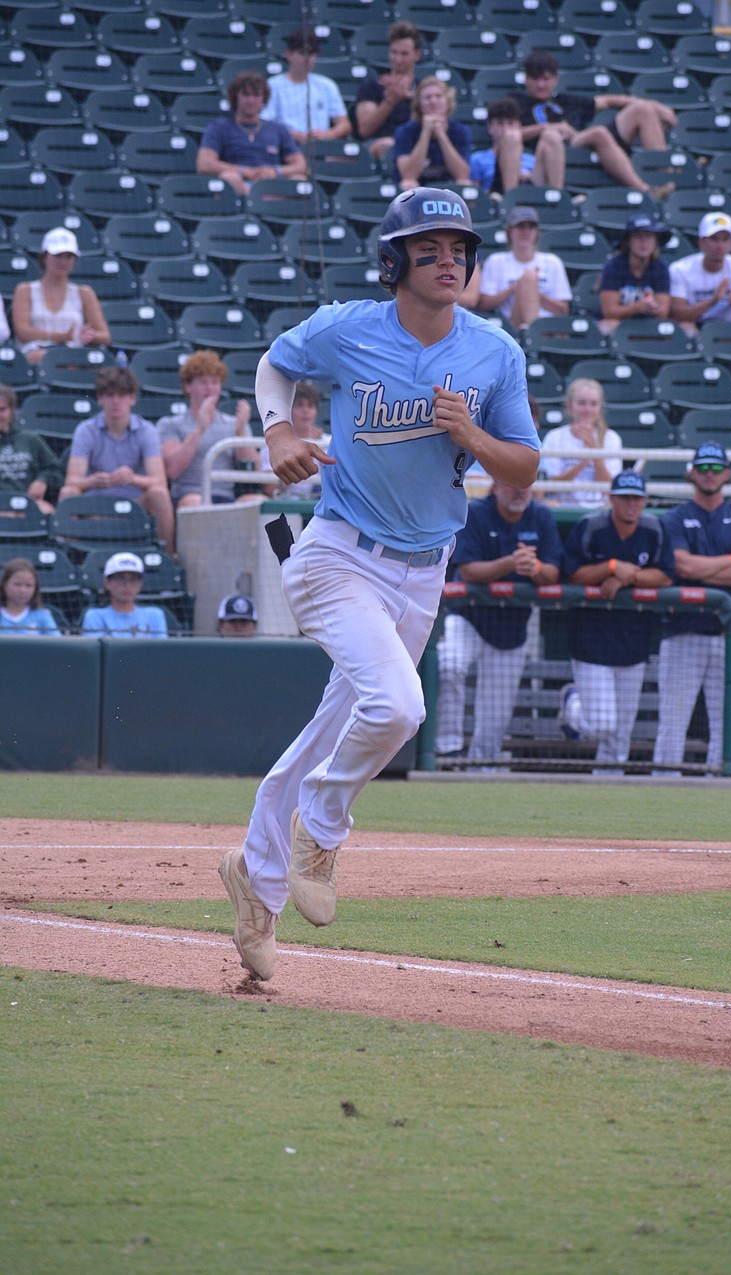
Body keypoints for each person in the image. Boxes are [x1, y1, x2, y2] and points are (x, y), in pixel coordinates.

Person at [218, 187, 540, 981]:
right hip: (337, 554)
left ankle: (256, 887)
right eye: (428, 247)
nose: (448, 260)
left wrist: (472, 434)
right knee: (398, 706)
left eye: (459, 248)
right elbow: (274, 364)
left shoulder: (495, 351)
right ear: (394, 258)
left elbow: (526, 466)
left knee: (333, 730)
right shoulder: (347, 327)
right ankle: (322, 828)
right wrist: (280, 428)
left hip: (424, 571)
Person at [653, 441, 731, 774]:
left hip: (730, 636)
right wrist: (728, 561)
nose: (709, 474)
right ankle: (663, 785)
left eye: (716, 468)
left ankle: (722, 786)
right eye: (703, 467)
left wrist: (708, 569)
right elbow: (682, 567)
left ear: (728, 473)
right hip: (683, 630)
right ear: (691, 472)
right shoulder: (675, 517)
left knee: (726, 723)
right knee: (673, 718)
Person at [434, 479, 561, 765]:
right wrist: (511, 563)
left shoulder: (540, 516)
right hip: (468, 614)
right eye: (512, 484)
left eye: (525, 484)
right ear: (495, 487)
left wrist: (536, 568)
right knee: (450, 665)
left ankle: (483, 764)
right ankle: (448, 750)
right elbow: (467, 571)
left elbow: (554, 572)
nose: (519, 490)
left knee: (497, 706)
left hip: (512, 624)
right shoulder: (476, 512)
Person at [559, 470, 673, 770]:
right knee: (601, 723)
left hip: (634, 640)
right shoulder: (591, 526)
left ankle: (608, 782)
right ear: (611, 499)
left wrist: (626, 577)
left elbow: (665, 575)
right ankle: (572, 705)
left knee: (621, 731)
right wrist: (610, 567)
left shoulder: (654, 529)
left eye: (636, 498)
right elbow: (571, 573)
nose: (630, 505)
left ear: (645, 501)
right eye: (624, 498)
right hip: (591, 640)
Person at [514, 50, 676, 201]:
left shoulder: (566, 100)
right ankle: (645, 190)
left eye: (546, 79)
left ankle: (665, 177)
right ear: (526, 79)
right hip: (547, 149)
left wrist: (657, 107)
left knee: (643, 110)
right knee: (598, 133)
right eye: (535, 79)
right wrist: (548, 128)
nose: (541, 85)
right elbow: (510, 135)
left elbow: (608, 101)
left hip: (580, 141)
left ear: (556, 80)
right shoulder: (517, 102)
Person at [59, 366, 175, 554]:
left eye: (121, 395)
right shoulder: (85, 430)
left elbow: (159, 480)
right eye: (110, 395)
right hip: (95, 505)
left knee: (159, 494)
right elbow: (72, 480)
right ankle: (68, 557)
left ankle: (167, 556)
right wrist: (93, 481)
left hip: (135, 504)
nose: (115, 402)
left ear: (132, 398)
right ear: (100, 398)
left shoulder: (147, 431)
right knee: (68, 493)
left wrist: (133, 478)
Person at [157, 349, 257, 510]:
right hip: (189, 496)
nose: (210, 388)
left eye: (215, 382)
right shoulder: (170, 424)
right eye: (203, 382)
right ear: (188, 387)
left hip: (226, 497)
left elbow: (252, 471)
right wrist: (199, 429)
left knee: (258, 502)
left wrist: (241, 433)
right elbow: (173, 471)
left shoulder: (234, 423)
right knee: (197, 502)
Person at [196, 69, 307, 197]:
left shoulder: (278, 129)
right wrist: (243, 171)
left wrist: (275, 171)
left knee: (299, 181)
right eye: (246, 94)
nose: (251, 100)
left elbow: (301, 165)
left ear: (263, 99)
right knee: (229, 178)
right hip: (239, 186)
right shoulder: (219, 127)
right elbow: (204, 164)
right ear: (236, 97)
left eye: (256, 95)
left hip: (272, 188)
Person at [12, 228, 110, 366]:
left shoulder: (85, 293)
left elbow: (105, 336)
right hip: (35, 353)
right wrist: (61, 337)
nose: (63, 261)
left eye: (68, 256)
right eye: (58, 255)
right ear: (45, 257)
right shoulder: (25, 290)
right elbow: (23, 331)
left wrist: (90, 336)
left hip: (73, 355)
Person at [477, 205, 571, 329]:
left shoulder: (552, 262)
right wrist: (514, 289)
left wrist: (531, 292)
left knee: (529, 277)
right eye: (520, 227)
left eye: (531, 227)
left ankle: (533, 331)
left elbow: (563, 310)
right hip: (511, 324)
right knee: (530, 276)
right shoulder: (496, 261)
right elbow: (484, 304)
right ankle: (532, 334)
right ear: (510, 231)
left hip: (548, 327)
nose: (525, 232)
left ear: (537, 232)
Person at [539, 376, 622, 508]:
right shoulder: (554, 437)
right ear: (570, 406)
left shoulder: (611, 438)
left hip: (599, 507)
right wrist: (583, 462)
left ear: (600, 408)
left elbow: (610, 490)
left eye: (593, 404)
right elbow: (551, 487)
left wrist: (596, 455)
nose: (587, 409)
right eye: (582, 403)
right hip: (561, 506)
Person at [669, 212, 731, 333]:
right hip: (695, 325)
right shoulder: (680, 269)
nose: (720, 246)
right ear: (701, 243)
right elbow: (676, 314)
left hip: (728, 328)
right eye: (714, 239)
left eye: (725, 239)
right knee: (685, 328)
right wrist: (713, 300)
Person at [262, 28, 351, 144]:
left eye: (311, 54)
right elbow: (264, 123)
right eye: (302, 53)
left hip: (320, 147)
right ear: (289, 54)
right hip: (284, 146)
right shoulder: (272, 85)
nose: (307, 58)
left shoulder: (327, 85)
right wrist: (292, 135)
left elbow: (344, 124)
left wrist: (327, 134)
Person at [353, 20, 423, 160]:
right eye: (394, 52)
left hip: (415, 145)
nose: (398, 59)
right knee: (389, 145)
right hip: (377, 144)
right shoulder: (372, 87)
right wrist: (390, 101)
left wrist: (411, 98)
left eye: (404, 54)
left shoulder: (422, 90)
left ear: (416, 55)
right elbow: (364, 130)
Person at [469, 96, 564, 195]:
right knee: (511, 137)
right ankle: (510, 199)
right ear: (490, 127)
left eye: (510, 123)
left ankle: (558, 199)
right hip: (497, 194)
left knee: (551, 137)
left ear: (519, 126)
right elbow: (475, 195)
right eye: (500, 123)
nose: (506, 129)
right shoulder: (477, 159)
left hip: (531, 191)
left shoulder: (531, 158)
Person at [393, 77, 471, 191]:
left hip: (447, 190)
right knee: (408, 183)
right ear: (419, 104)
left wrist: (441, 134)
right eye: (427, 98)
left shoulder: (460, 130)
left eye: (438, 96)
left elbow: (462, 175)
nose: (433, 101)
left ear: (447, 101)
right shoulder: (405, 131)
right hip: (417, 191)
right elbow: (408, 175)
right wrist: (426, 133)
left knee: (464, 183)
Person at [598, 213, 671, 334]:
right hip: (619, 323)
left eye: (648, 237)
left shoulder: (661, 268)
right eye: (638, 237)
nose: (643, 242)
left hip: (649, 324)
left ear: (655, 242)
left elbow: (663, 312)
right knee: (605, 327)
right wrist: (637, 308)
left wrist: (652, 308)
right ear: (628, 241)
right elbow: (609, 312)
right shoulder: (614, 266)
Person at [258, 381, 329, 499]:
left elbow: (338, 481)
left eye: (310, 406)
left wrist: (319, 451)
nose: (305, 411)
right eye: (299, 405)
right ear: (288, 409)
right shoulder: (273, 443)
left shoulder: (329, 442)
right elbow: (271, 490)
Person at [0, 383, 62, 513]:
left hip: (27, 503)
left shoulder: (30, 440)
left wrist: (42, 481)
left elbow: (56, 471)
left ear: (12, 411)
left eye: (2, 410)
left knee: (48, 511)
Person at [80, 551, 169, 638]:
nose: (127, 585)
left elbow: (161, 651)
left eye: (133, 579)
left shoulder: (154, 616)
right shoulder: (95, 616)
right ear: (107, 583)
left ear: (141, 584)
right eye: (120, 579)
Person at [0, 557, 61, 635]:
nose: (22, 590)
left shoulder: (42, 616)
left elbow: (57, 644)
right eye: (17, 584)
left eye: (28, 585)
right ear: (4, 584)